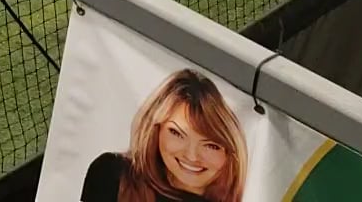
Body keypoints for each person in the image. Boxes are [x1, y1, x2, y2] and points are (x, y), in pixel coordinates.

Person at [81, 69, 247, 202]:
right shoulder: (112, 175)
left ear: (230, 154)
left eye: (211, 145)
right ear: (156, 129)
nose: (191, 156)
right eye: (177, 133)